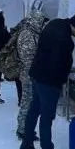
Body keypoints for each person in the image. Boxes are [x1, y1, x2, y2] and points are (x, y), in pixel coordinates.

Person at [20, 12, 75, 149]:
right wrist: (62, 80)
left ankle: (27, 142)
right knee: (47, 115)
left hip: (37, 74)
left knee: (34, 109)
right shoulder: (65, 40)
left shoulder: (55, 23)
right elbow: (58, 64)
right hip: (49, 81)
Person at [15, 10, 47, 139]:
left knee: (28, 101)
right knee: (27, 102)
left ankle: (25, 128)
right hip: (29, 73)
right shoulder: (28, 34)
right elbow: (27, 56)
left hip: (28, 72)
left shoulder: (28, 32)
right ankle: (23, 129)